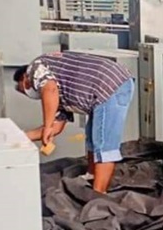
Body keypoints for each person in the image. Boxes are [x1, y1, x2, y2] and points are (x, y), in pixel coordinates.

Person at [14, 51, 135, 194]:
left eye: (22, 89)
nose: (27, 92)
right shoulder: (57, 91)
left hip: (109, 85)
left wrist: (47, 126)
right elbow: (56, 127)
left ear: (24, 77)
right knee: (93, 137)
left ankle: (98, 194)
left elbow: (50, 90)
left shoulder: (35, 68)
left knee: (104, 143)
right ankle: (91, 176)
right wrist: (20, 138)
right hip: (104, 89)